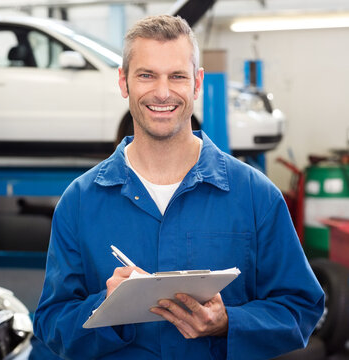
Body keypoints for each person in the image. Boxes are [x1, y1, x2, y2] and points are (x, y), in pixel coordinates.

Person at [33, 15, 324, 360]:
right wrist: (109, 310)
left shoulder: (255, 195)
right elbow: (51, 325)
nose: (162, 92)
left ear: (197, 84)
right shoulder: (79, 202)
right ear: (124, 82)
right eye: (146, 75)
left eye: (177, 76)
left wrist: (229, 321)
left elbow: (301, 308)